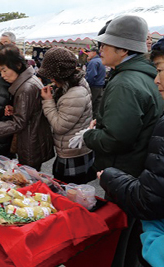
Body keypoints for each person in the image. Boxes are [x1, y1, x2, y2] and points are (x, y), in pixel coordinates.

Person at [83, 15, 164, 267]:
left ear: (123, 49)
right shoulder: (143, 75)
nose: (100, 50)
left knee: (122, 239)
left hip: (126, 173)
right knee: (134, 238)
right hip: (140, 173)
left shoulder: (126, 83)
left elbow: (117, 139)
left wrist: (89, 134)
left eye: (106, 45)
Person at [0, 45, 54, 170]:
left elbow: (19, 123)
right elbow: (31, 112)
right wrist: (15, 110)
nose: (3, 75)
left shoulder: (25, 88)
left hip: (31, 141)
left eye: (5, 70)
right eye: (0, 71)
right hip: (33, 138)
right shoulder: (28, 81)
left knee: (29, 179)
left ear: (17, 65)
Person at [39, 47, 94, 184]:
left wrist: (48, 101)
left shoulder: (75, 94)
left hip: (73, 153)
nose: (51, 79)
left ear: (61, 75)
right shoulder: (75, 83)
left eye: (52, 76)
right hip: (73, 148)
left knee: (69, 192)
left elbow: (59, 126)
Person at [85, 46, 106, 118]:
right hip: (100, 86)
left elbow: (91, 76)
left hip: (93, 86)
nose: (88, 54)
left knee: (90, 106)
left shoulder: (93, 62)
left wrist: (87, 85)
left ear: (93, 53)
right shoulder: (100, 60)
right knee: (97, 106)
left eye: (89, 52)